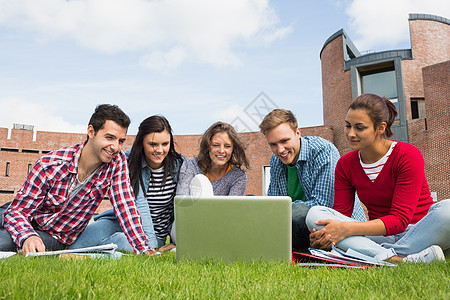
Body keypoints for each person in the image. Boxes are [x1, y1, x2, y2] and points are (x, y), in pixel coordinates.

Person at [306, 94, 449, 263]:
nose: (351, 133)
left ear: (380, 128)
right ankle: (401, 259)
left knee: (447, 210)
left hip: (420, 232)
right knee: (315, 215)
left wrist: (344, 231)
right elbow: (341, 214)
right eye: (347, 126)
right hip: (380, 236)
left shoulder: (407, 155)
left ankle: (377, 255)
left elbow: (399, 220)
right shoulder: (345, 164)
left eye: (359, 128)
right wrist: (327, 236)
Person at [0, 104, 155, 254]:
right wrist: (27, 235)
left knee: (4, 241)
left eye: (120, 141)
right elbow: (17, 211)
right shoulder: (51, 164)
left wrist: (143, 248)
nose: (115, 147)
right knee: (8, 216)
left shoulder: (117, 162)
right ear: (91, 131)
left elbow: (125, 206)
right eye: (109, 138)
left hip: (54, 234)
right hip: (22, 213)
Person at [69, 115, 183, 251]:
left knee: (121, 241)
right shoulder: (128, 160)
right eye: (152, 144)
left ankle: (101, 250)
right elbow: (140, 203)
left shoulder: (178, 165)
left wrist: (151, 245)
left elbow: (182, 207)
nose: (159, 150)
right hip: (119, 222)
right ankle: (97, 250)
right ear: (141, 142)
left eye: (165, 144)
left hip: (153, 234)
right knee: (76, 244)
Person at [259, 109, 366, 251]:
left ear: (298, 133)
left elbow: (323, 206)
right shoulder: (276, 160)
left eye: (284, 141)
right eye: (273, 144)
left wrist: (280, 210)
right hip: (299, 226)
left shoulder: (323, 151)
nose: (280, 150)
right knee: (253, 205)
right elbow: (274, 203)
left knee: (297, 211)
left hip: (337, 228)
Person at [176, 121, 249, 196]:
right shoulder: (190, 165)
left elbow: (232, 207)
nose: (221, 151)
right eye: (216, 145)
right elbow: (181, 200)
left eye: (227, 146)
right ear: (208, 146)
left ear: (233, 149)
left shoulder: (238, 175)